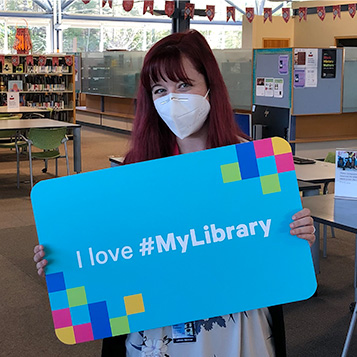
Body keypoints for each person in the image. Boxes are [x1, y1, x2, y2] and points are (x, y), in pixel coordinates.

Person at [34, 30, 315, 357]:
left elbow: (275, 260)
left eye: (184, 85)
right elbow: (114, 254)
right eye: (159, 90)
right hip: (158, 330)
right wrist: (63, 261)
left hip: (237, 332)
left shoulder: (252, 162)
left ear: (210, 85)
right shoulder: (136, 170)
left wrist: (297, 236)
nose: (173, 99)